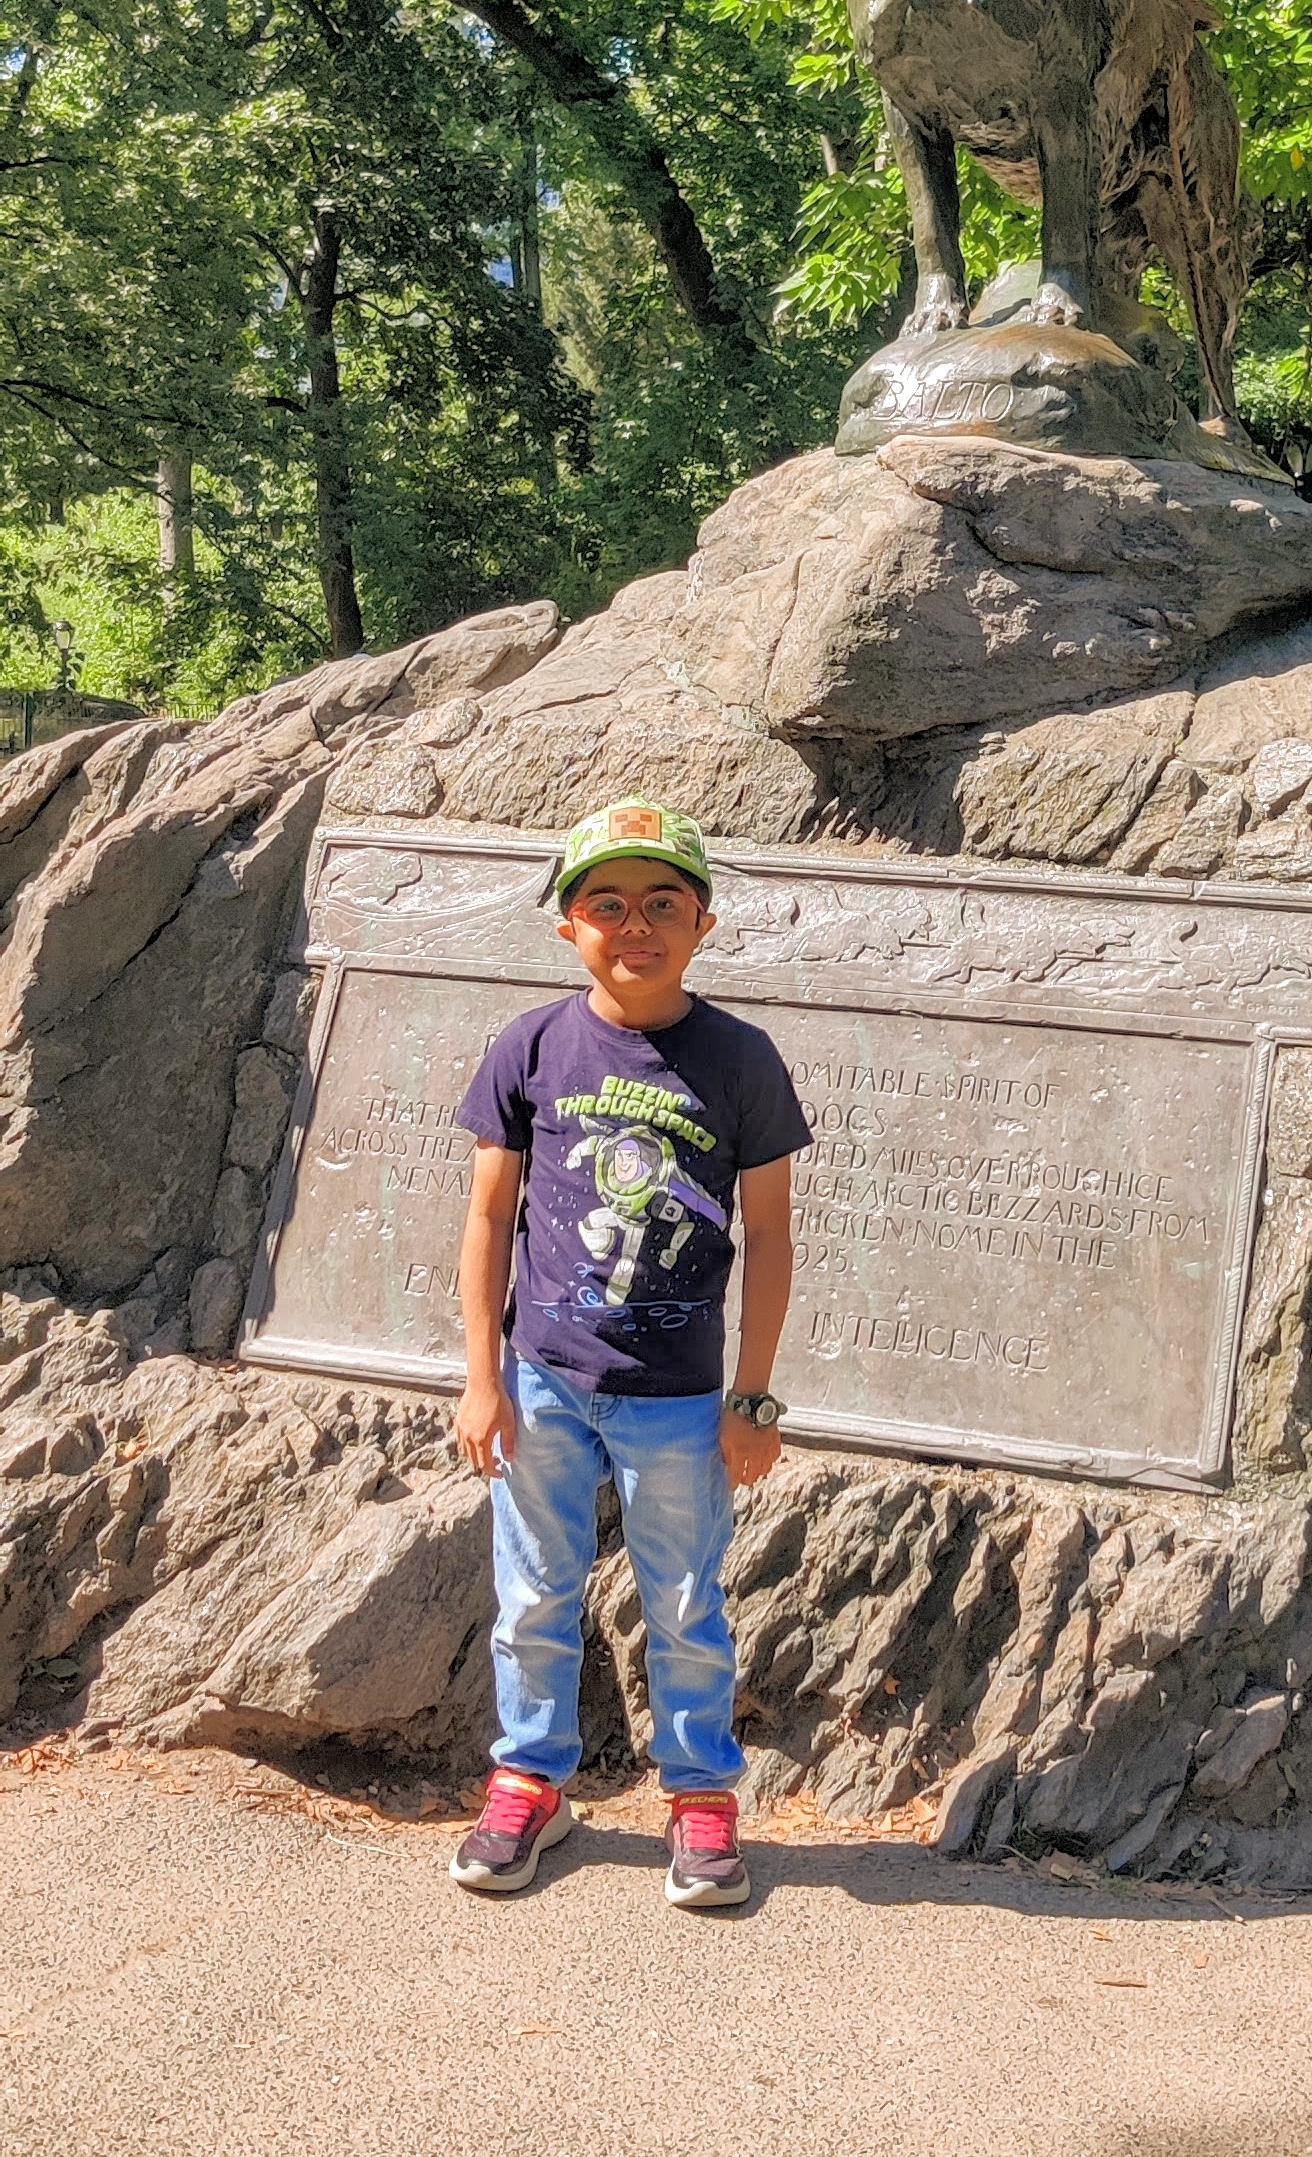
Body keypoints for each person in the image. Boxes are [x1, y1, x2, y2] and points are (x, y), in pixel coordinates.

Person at [447, 798, 812, 1907]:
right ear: (568, 925)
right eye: (606, 903)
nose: (635, 925)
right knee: (532, 1597)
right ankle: (531, 1781)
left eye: (663, 903)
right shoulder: (531, 1046)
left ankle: (700, 1798)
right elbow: (489, 1215)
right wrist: (482, 1377)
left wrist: (753, 1397)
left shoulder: (741, 1059)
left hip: (680, 1399)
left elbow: (770, 1232)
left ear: (704, 923)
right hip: (545, 1381)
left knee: (686, 1603)